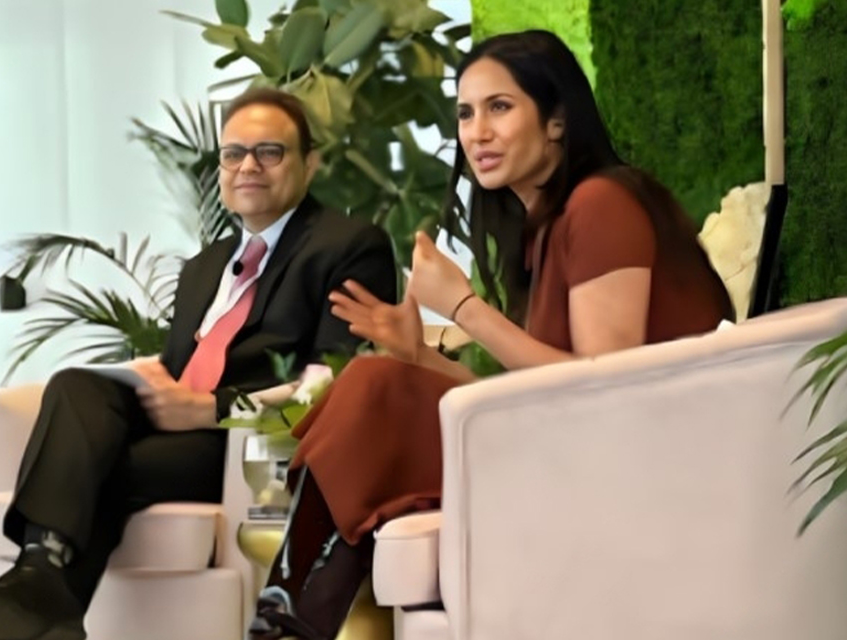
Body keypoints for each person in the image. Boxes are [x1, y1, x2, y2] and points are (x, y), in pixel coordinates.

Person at [246, 30, 735, 640]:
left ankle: (280, 627)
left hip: (640, 462)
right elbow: (540, 392)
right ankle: (283, 626)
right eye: (465, 113)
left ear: (556, 120)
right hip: (581, 445)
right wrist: (419, 353)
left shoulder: (602, 203)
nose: (476, 133)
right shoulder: (547, 227)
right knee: (384, 379)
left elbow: (608, 390)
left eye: (499, 108)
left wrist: (465, 307)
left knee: (376, 388)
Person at [0, 87, 399, 640]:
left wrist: (208, 409)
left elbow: (330, 387)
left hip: (244, 443)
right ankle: (43, 580)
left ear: (310, 163)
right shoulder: (204, 268)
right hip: (178, 428)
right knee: (75, 385)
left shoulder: (349, 245)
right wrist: (155, 381)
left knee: (95, 472)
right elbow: (182, 365)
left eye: (269, 152)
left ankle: (43, 589)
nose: (247, 166)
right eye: (233, 154)